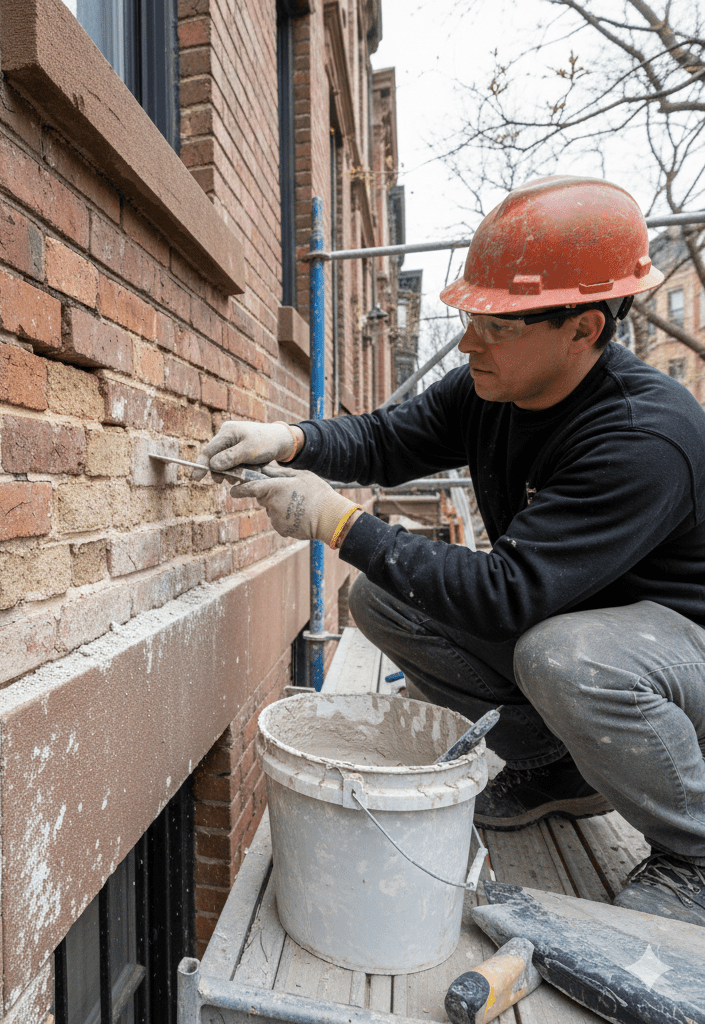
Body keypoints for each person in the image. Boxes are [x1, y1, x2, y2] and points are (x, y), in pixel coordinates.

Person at [195, 176, 705, 926]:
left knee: (565, 658)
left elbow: (506, 595)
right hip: (572, 618)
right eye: (473, 318)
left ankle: (693, 853)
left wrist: (337, 523)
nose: (470, 342)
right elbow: (387, 437)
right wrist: (292, 439)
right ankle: (558, 767)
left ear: (584, 329)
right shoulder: (491, 389)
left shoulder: (642, 436)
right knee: (378, 598)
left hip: (672, 651)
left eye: (498, 326)